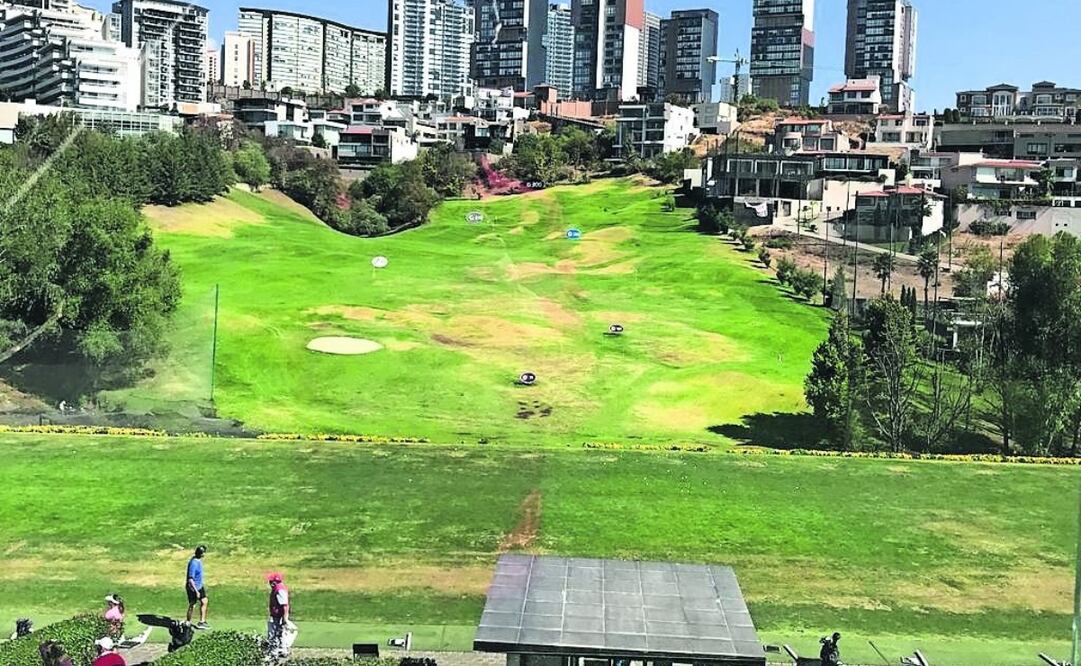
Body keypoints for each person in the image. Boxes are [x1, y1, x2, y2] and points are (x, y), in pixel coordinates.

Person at [265, 572, 294, 658]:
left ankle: (277, 651)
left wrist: (285, 618)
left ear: (275, 582)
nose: (269, 583)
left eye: (271, 581)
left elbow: (284, 605)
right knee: (279, 632)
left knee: (276, 633)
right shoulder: (278, 589)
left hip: (279, 616)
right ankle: (280, 650)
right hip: (277, 615)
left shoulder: (279, 590)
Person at [185, 545, 209, 629]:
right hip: (193, 588)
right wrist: (196, 591)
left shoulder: (198, 560)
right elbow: (190, 579)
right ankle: (188, 622)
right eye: (204, 552)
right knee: (192, 604)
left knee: (204, 601)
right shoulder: (194, 563)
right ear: (201, 553)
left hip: (199, 586)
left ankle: (202, 622)